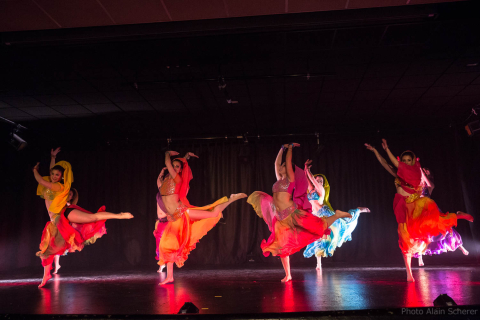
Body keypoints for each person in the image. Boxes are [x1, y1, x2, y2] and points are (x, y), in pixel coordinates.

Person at [365, 140, 473, 282]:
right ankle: (409, 273)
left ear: (413, 161)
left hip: (416, 207)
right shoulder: (400, 174)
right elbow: (386, 164)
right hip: (403, 209)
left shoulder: (415, 170)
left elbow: (396, 164)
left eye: (408, 160)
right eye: (404, 160)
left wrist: (387, 149)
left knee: (435, 223)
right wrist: (376, 152)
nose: (406, 162)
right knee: (405, 240)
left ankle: (457, 216)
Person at [247, 143, 352, 282]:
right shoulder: (279, 180)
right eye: (282, 166)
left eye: (284, 166)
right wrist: (282, 148)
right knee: (282, 247)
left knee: (317, 226)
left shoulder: (290, 179)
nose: (281, 167)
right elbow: (275, 163)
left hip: (293, 214)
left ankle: (337, 214)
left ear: (289, 169)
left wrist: (290, 148)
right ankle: (288, 274)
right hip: (280, 218)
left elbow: (288, 162)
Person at [34, 149, 133, 288]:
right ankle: (46, 275)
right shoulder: (52, 180)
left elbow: (41, 180)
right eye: (53, 174)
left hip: (63, 215)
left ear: (61, 177)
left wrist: (34, 170)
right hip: (54, 222)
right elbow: (52, 171)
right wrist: (52, 157)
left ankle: (119, 215)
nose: (55, 176)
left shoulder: (57, 186)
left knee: (92, 218)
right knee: (47, 250)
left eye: (58, 175)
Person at [157, 150, 247, 285]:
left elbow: (167, 162)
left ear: (180, 170)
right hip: (173, 219)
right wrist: (161, 173)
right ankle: (170, 277)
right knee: (166, 246)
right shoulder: (164, 182)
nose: (174, 168)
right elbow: (158, 183)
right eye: (173, 166)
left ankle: (231, 199)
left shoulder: (177, 179)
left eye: (177, 167)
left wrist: (167, 154)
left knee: (213, 213)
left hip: (182, 213)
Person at [302, 160, 369, 270]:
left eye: (320, 181)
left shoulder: (321, 190)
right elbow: (309, 181)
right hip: (315, 216)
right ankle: (318, 264)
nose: (318, 182)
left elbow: (312, 180)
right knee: (317, 239)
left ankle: (358, 210)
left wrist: (308, 171)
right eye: (317, 180)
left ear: (323, 184)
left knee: (344, 224)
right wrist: (305, 171)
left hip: (325, 215)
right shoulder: (311, 190)